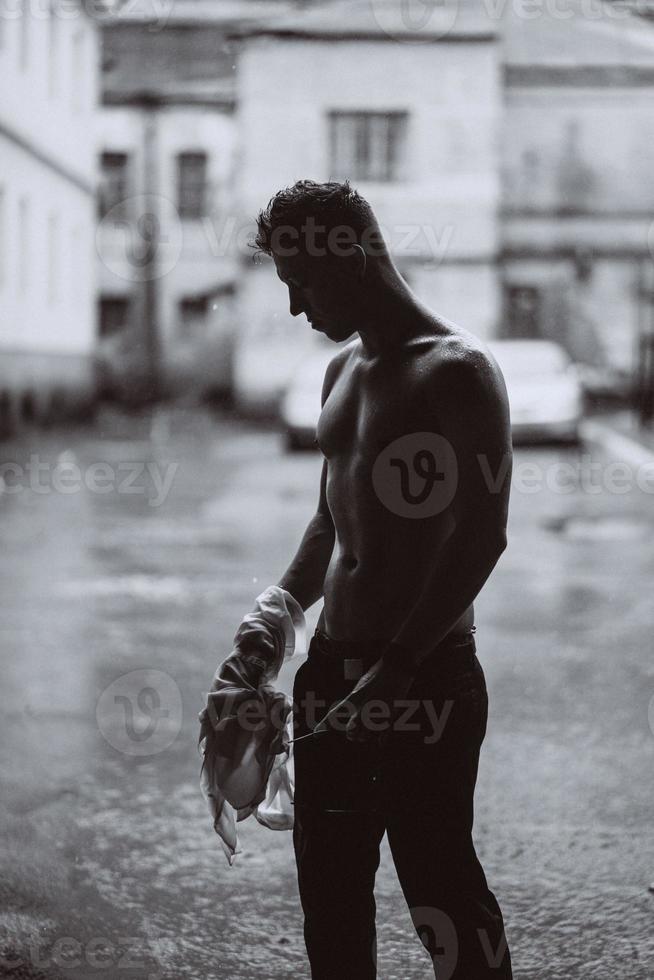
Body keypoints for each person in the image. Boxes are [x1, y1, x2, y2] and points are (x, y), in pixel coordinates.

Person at [254, 179, 514, 980]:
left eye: (302, 281)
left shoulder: (459, 371)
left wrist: (397, 668)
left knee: (441, 888)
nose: (296, 307)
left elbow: (481, 536)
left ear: (355, 257)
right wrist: (269, 622)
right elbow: (333, 521)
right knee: (329, 892)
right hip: (332, 671)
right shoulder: (342, 372)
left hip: (423, 675)